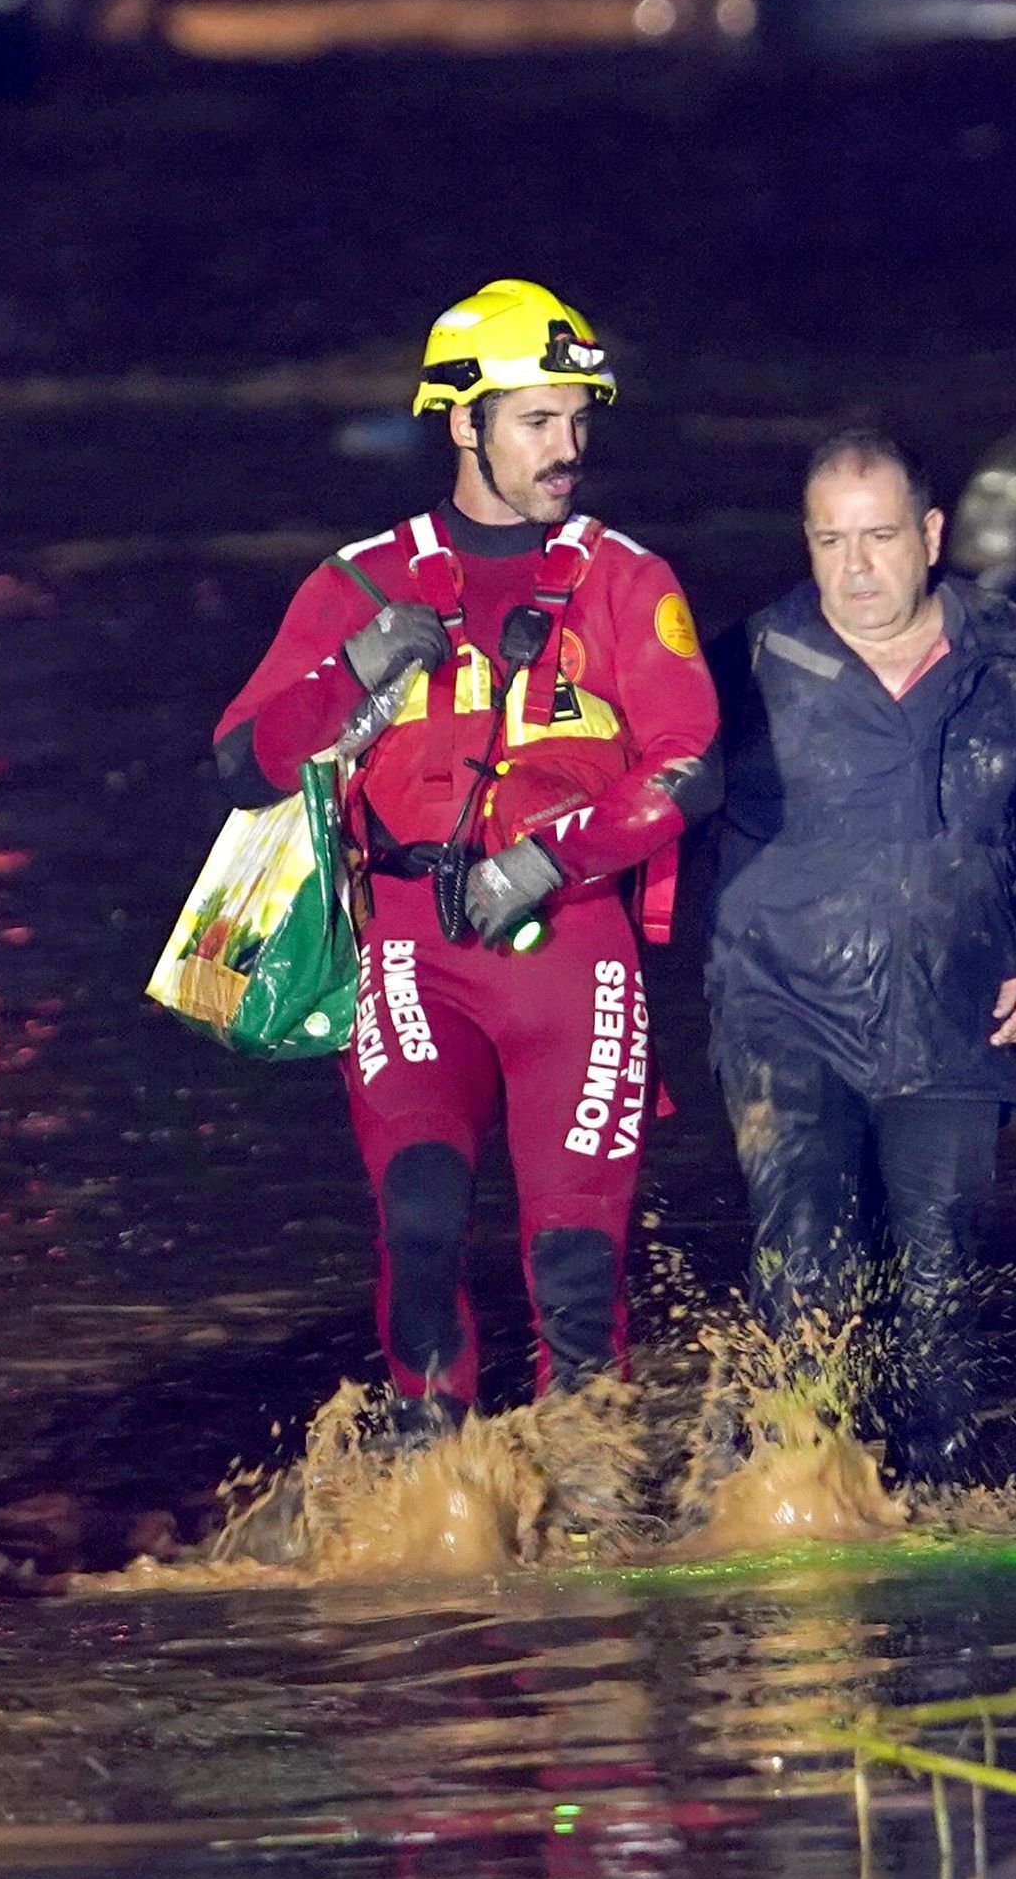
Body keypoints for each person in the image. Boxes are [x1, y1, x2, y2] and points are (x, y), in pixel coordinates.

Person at [210, 280, 722, 1424]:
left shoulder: (629, 580)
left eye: (579, 421)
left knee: (577, 1272)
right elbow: (240, 763)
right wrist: (349, 675)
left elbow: (694, 767)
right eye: (538, 421)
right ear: (462, 421)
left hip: (575, 954)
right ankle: (433, 1505)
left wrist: (548, 863)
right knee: (423, 1228)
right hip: (405, 952)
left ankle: (588, 1512)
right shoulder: (357, 581)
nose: (568, 448)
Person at [704, 431, 1016, 1477]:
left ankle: (931, 1506)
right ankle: (788, 1492)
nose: (854, 565)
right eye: (829, 540)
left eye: (878, 536)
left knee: (938, 1286)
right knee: (805, 1256)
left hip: (955, 1016)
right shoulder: (744, 666)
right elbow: (630, 798)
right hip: (781, 1010)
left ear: (930, 534)